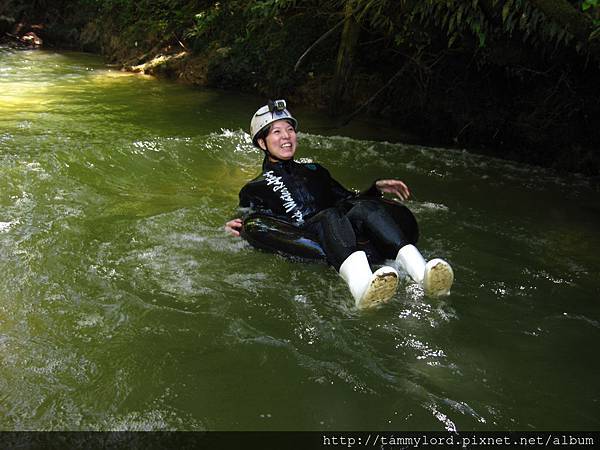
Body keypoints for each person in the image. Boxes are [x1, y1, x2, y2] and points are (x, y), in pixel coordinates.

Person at [225, 100, 454, 308]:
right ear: (262, 143)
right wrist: (236, 228)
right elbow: (254, 222)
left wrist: (375, 189)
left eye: (290, 130)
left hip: (342, 231)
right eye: (277, 132)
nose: (286, 137)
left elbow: (348, 200)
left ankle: (422, 274)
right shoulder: (255, 187)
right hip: (310, 235)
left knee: (364, 208)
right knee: (329, 216)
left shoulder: (316, 171)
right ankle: (361, 287)